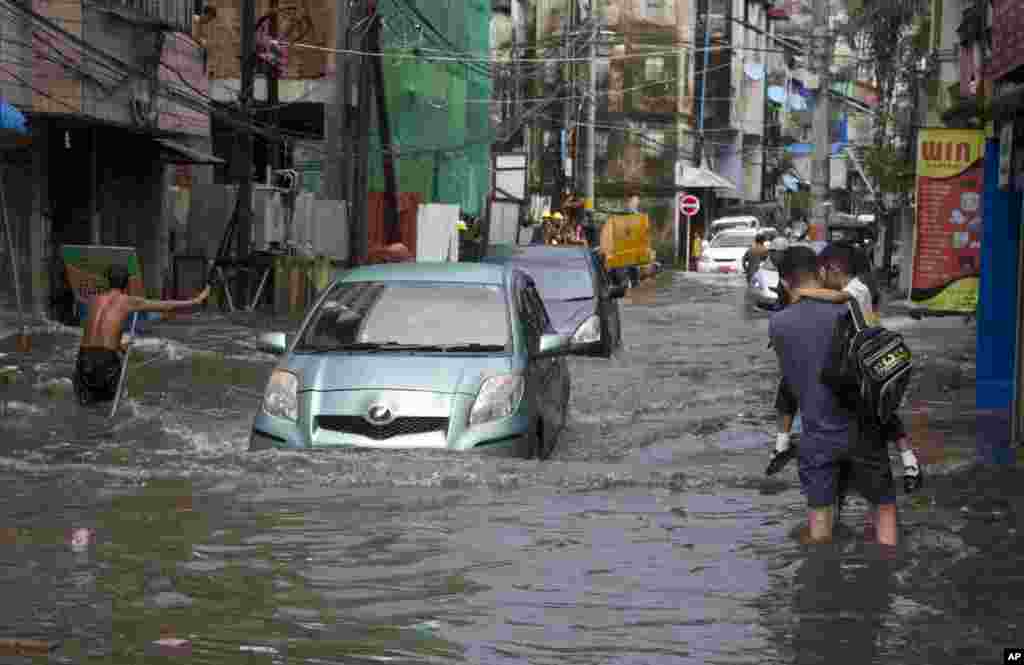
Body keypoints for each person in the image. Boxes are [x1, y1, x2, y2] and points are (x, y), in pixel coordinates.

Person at [768, 245, 897, 546]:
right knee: (883, 507)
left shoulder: (778, 324)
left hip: (816, 436)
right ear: (820, 272)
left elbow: (791, 381)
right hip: (863, 430)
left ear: (786, 282)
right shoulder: (851, 309)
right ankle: (888, 568)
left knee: (819, 524)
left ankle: (820, 576)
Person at [787, 243, 922, 494]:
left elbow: (837, 298)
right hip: (873, 354)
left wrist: (804, 291)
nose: (822, 280)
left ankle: (907, 461)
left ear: (834, 268)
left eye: (823, 273)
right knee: (885, 411)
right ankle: (909, 460)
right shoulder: (864, 287)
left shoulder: (856, 288)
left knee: (878, 412)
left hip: (867, 357)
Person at [73, 265, 209, 406]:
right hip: (106, 359)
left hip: (83, 357)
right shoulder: (129, 301)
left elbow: (102, 330)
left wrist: (119, 346)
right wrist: (195, 301)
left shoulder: (93, 300)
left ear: (108, 281)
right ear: (127, 284)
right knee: (107, 407)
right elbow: (167, 305)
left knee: (86, 406)